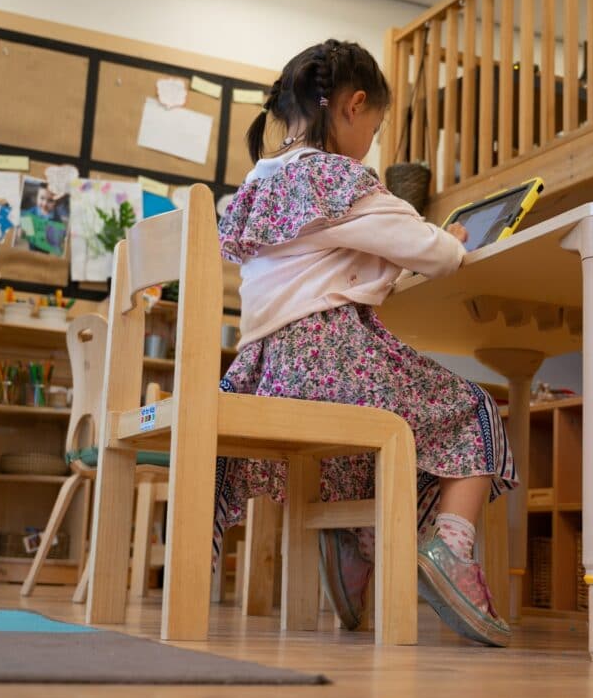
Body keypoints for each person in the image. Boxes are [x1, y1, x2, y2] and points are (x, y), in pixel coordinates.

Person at [216, 39, 517, 647]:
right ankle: (451, 550)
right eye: (374, 129)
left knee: (383, 424)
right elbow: (430, 251)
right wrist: (451, 239)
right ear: (353, 106)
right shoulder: (336, 177)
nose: (370, 145)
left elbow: (340, 262)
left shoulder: (258, 188)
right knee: (473, 410)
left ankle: (359, 546)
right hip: (329, 357)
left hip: (270, 371)